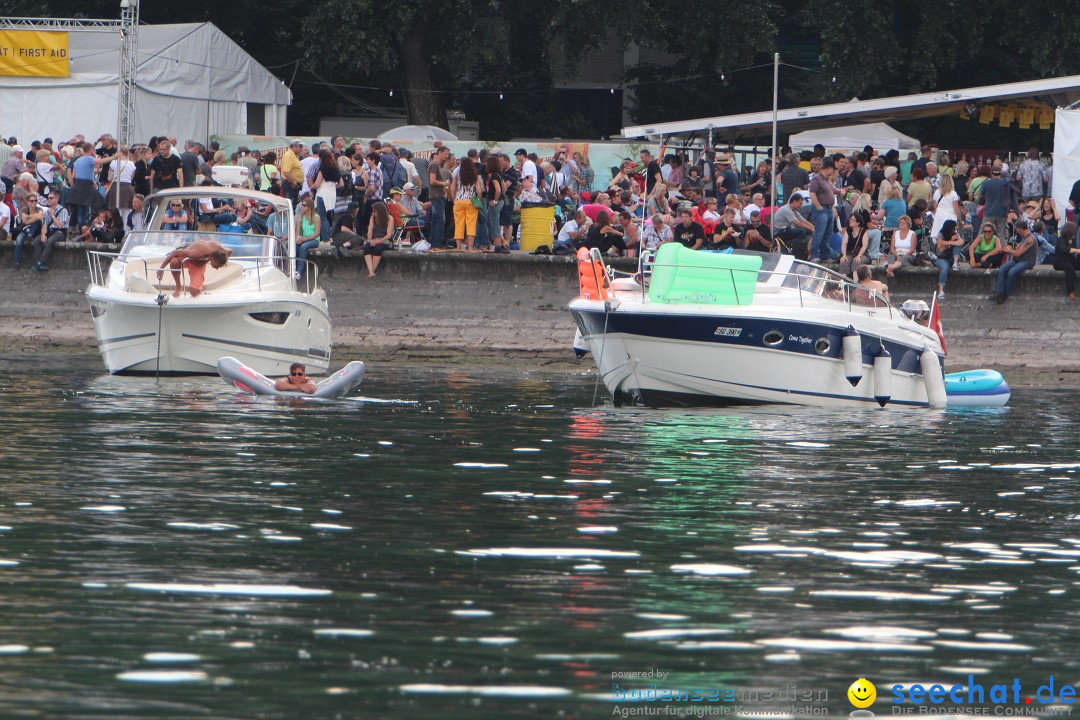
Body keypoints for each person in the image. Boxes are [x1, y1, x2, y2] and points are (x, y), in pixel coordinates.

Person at [155, 238, 232, 298]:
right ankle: (178, 286)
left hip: (198, 264)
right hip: (188, 258)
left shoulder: (222, 251)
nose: (217, 268)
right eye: (217, 266)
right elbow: (175, 253)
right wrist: (161, 268)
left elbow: (230, 250)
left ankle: (198, 288)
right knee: (174, 262)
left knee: (194, 293)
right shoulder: (197, 253)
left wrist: (224, 259)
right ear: (212, 258)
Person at [991, 219, 1037, 304]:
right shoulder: (1024, 238)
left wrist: (1007, 250)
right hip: (1018, 259)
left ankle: (1005, 293)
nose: (1016, 231)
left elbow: (1018, 253)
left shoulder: (1030, 239)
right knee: (1002, 269)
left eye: (1017, 229)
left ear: (1020, 229)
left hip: (1027, 261)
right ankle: (998, 291)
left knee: (1012, 272)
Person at [450, 157, 483, 252]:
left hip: (458, 201)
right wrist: (478, 200)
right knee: (471, 224)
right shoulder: (474, 176)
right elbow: (479, 191)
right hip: (470, 201)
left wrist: (454, 200)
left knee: (459, 224)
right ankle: (471, 248)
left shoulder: (457, 175)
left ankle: (458, 247)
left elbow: (452, 189)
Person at [808, 158, 837, 262]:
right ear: (829, 168)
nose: (833, 172)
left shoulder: (826, 180)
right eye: (833, 169)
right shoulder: (817, 179)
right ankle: (814, 255)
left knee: (827, 234)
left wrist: (839, 192)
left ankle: (825, 255)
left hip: (828, 209)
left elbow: (831, 190)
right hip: (822, 209)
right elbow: (812, 193)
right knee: (819, 233)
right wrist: (818, 206)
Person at [772, 194, 815, 258]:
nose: (801, 206)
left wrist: (814, 228)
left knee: (803, 231)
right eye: (800, 203)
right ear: (794, 201)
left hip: (786, 230)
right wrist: (812, 230)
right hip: (779, 232)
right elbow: (798, 223)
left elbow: (803, 220)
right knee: (801, 232)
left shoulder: (793, 210)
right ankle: (798, 252)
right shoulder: (787, 210)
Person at [294, 193, 321, 279]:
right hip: (303, 238)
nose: (302, 206)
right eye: (302, 204)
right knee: (296, 245)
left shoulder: (316, 217)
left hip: (313, 239)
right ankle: (293, 268)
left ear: (309, 207)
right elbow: (297, 231)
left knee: (303, 247)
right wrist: (298, 237)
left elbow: (317, 233)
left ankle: (299, 271)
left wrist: (306, 238)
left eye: (304, 205)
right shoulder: (300, 217)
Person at [1052, 221, 1080, 299]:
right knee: (1070, 269)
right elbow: (1064, 250)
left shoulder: (1073, 240)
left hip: (1071, 260)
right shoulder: (1061, 239)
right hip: (1060, 261)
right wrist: (1076, 250)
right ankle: (1070, 291)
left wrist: (1076, 253)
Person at [838, 212, 871, 277]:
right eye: (850, 219)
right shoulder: (848, 231)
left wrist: (859, 255)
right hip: (850, 253)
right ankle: (843, 283)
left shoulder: (864, 231)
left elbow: (864, 246)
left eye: (852, 220)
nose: (850, 221)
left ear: (858, 223)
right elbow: (844, 244)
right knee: (844, 261)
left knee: (856, 262)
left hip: (862, 254)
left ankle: (855, 283)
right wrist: (844, 255)